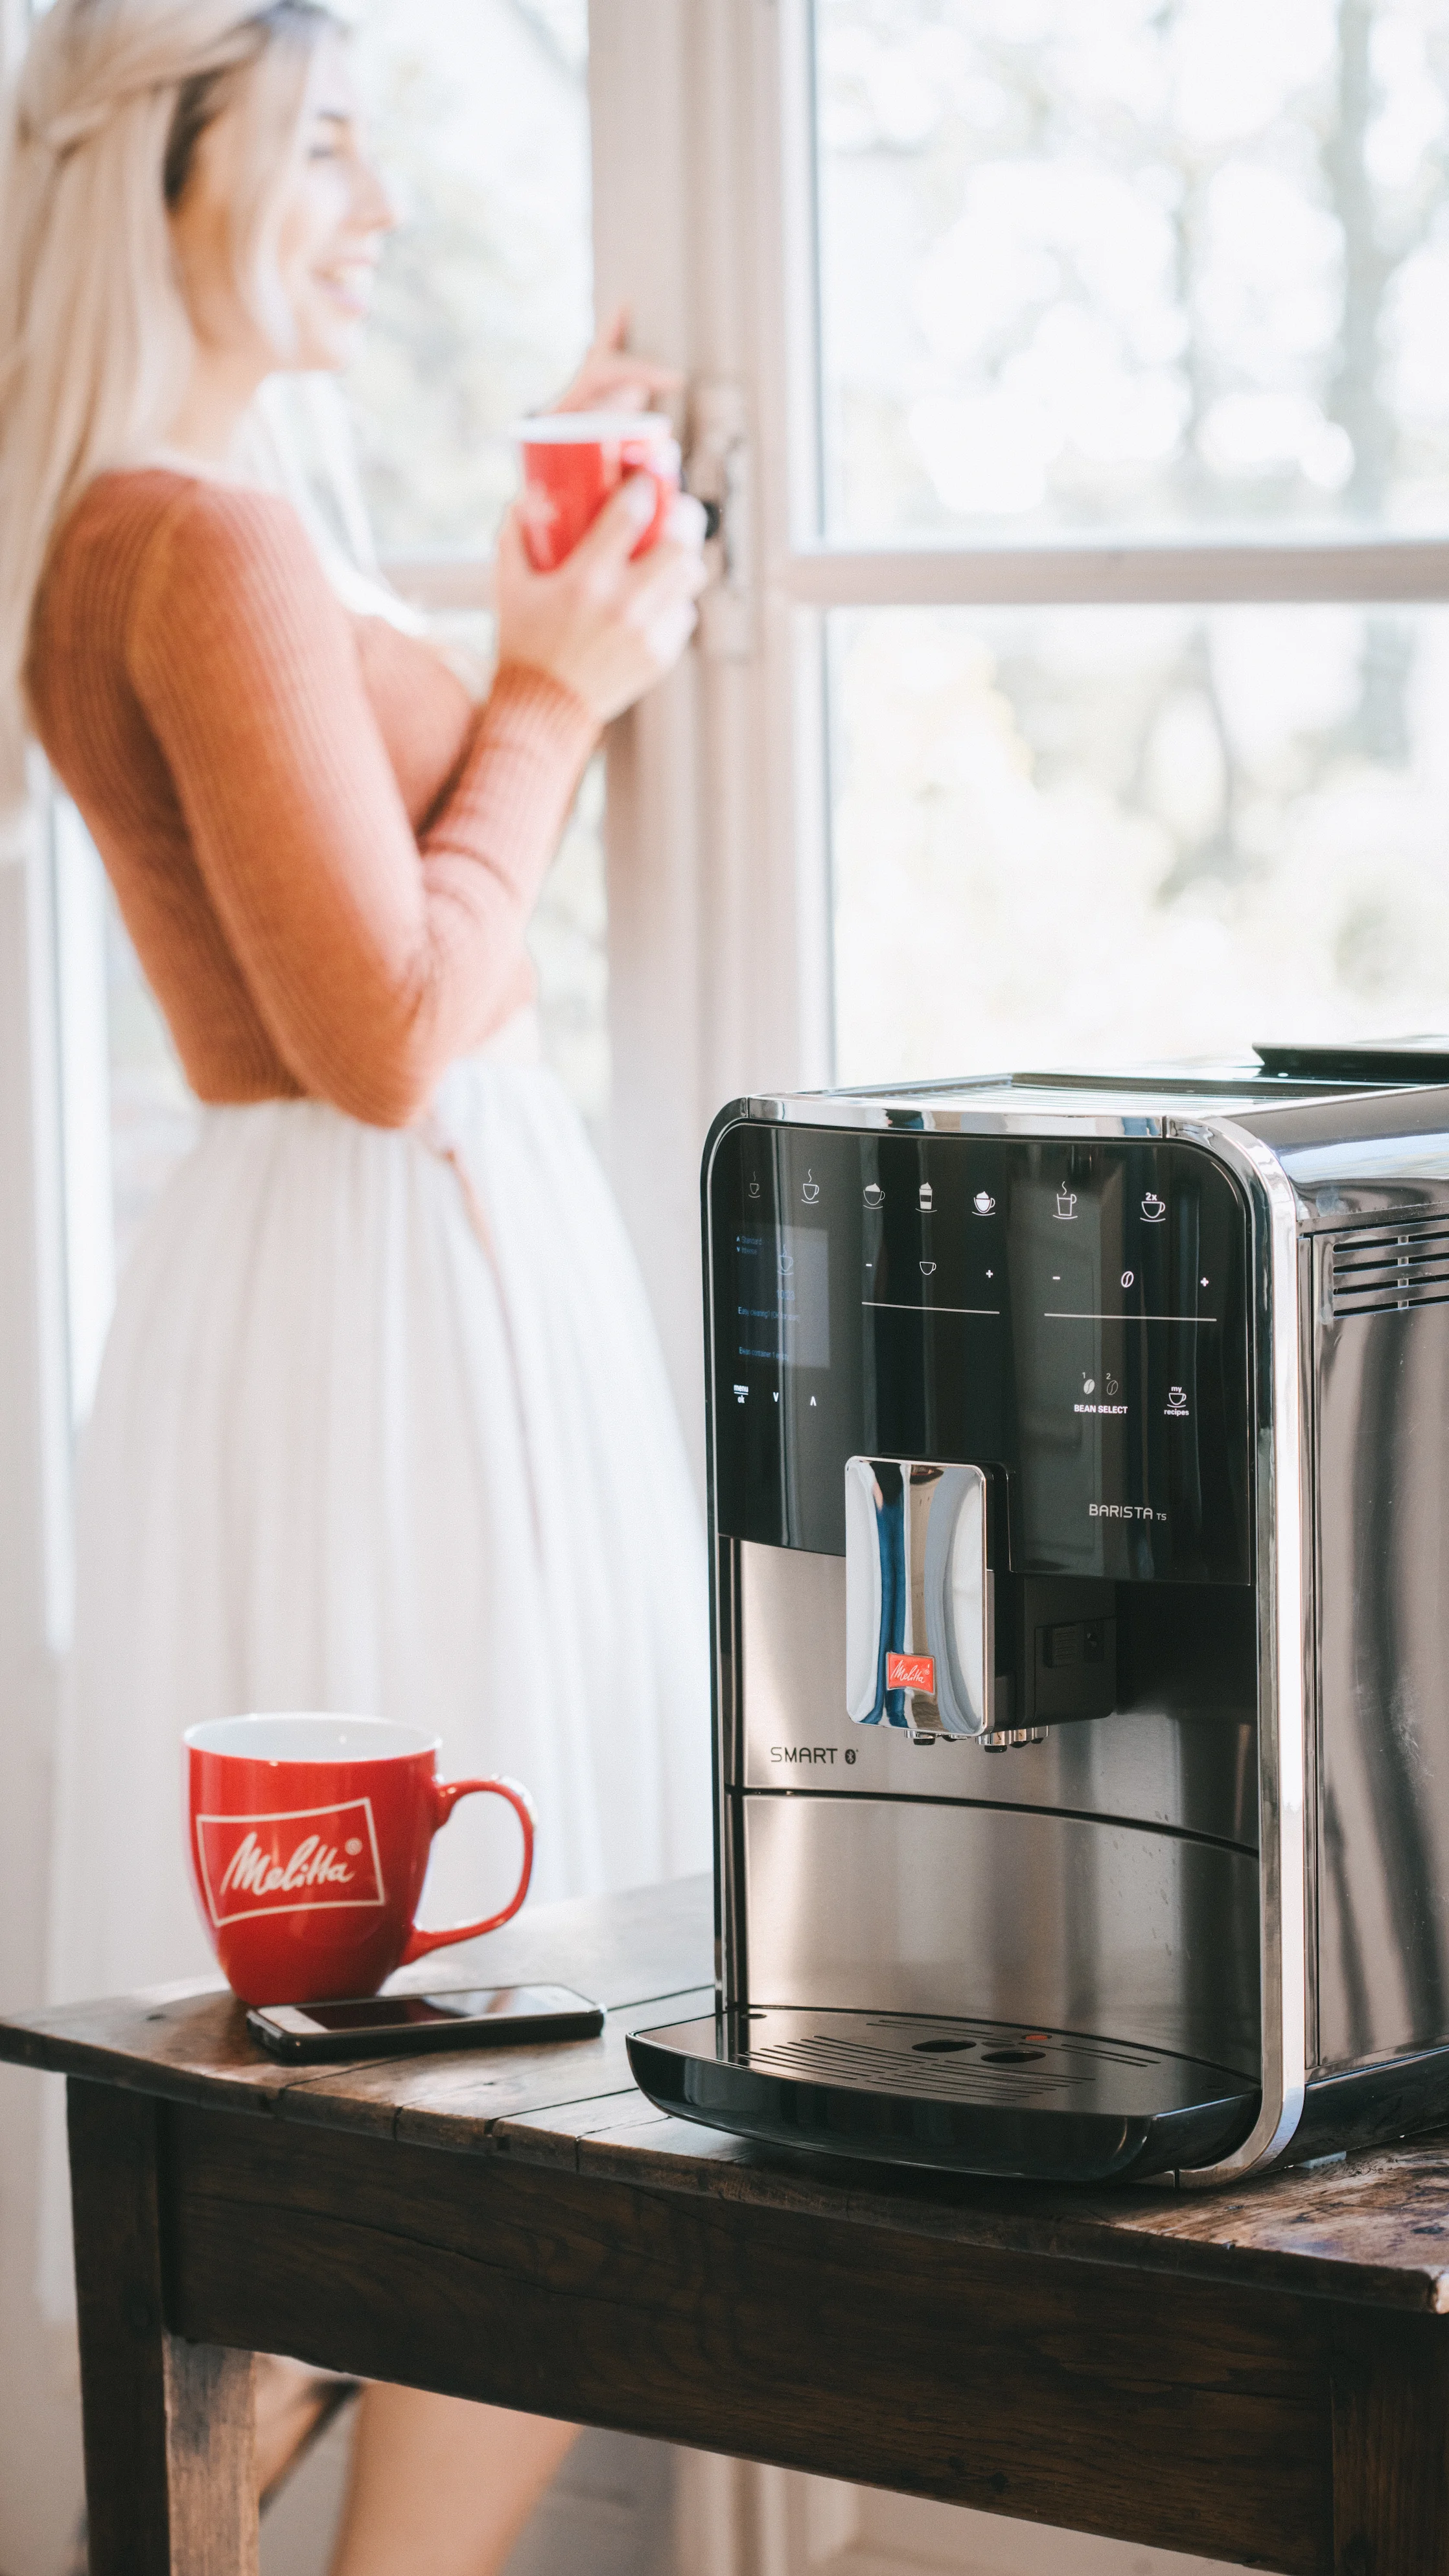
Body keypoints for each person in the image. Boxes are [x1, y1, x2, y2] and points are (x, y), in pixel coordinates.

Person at [0, 3, 713, 2568]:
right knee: (530, 2080)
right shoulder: (188, 537)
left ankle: (263, 2489)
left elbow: (353, 870)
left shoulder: (183, 519)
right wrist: (552, 689)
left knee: (435, 2056)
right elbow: (396, 1027)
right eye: (322, 141)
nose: (376, 203)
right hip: (381, 1310)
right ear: (163, 170)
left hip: (333, 1304)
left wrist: (516, 637)